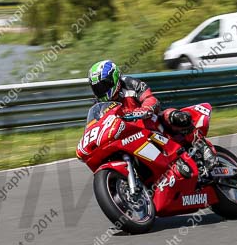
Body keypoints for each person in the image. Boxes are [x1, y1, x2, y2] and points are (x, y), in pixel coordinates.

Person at [87, 60, 216, 173]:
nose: (101, 91)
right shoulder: (99, 104)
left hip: (150, 124)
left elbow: (150, 98)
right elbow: (97, 124)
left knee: (172, 116)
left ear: (114, 79)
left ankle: (203, 147)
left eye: (103, 85)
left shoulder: (130, 84)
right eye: (97, 88)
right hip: (127, 135)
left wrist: (145, 109)